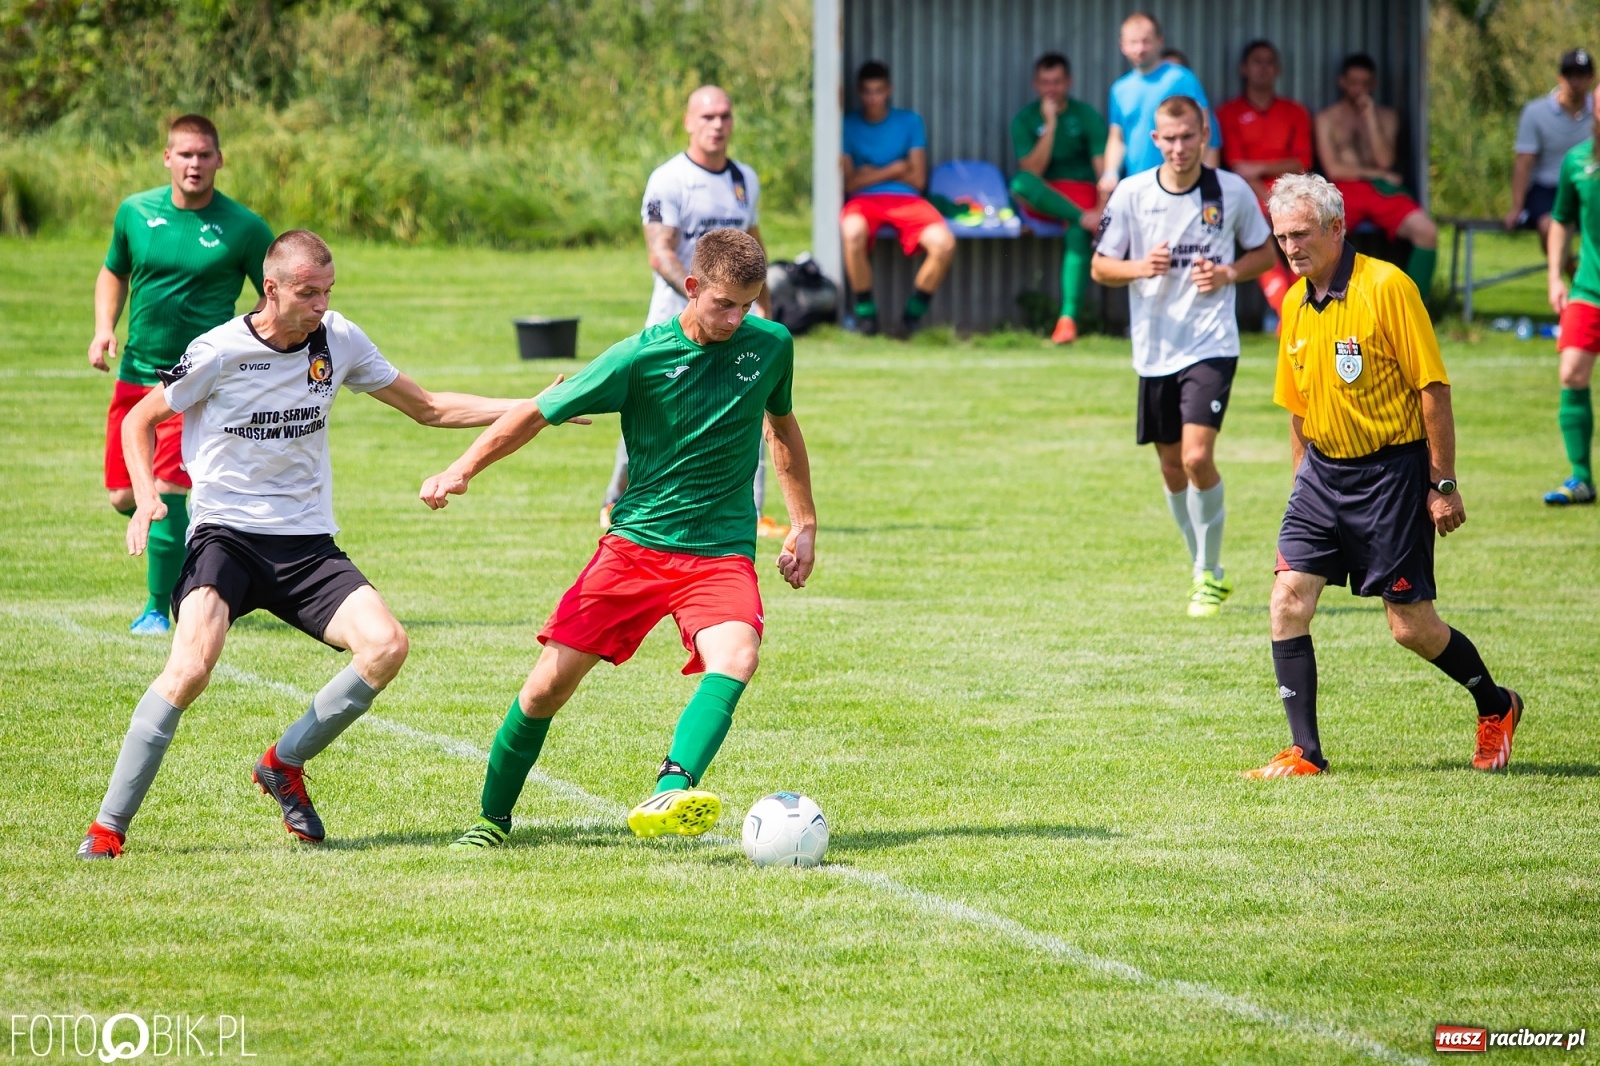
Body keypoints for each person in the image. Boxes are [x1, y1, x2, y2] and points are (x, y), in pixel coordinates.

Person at [76, 231, 536, 859]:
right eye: (307, 293)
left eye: (328, 291)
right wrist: (147, 497)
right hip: (226, 538)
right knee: (188, 670)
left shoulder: (337, 339)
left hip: (305, 543)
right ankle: (107, 828)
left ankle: (283, 763)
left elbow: (427, 407)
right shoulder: (219, 350)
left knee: (386, 647)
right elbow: (139, 419)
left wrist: (535, 404)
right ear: (271, 289)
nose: (321, 305)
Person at [422, 229, 817, 851]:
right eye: (724, 304)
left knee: (737, 656)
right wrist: (461, 469)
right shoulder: (638, 357)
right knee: (546, 687)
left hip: (720, 553)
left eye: (748, 304)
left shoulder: (769, 346)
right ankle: (491, 820)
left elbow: (783, 428)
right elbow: (537, 410)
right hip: (636, 548)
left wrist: (804, 524)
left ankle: (673, 785)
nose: (737, 318)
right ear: (691, 289)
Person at [1249, 174, 1523, 778]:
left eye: (1300, 235)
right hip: (1322, 475)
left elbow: (1433, 389)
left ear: (1336, 228)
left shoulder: (1388, 287)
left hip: (1390, 475)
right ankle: (1306, 753)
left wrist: (1442, 483)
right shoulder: (1293, 302)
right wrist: (1300, 488)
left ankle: (1496, 705)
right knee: (1286, 601)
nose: (1291, 248)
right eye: (1281, 238)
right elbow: (1297, 406)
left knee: (1411, 628)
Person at [89, 114, 274, 636]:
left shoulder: (243, 227)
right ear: (168, 158)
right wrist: (104, 327)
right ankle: (199, 544)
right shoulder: (135, 212)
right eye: (185, 154)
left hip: (194, 382)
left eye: (204, 155)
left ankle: (157, 608)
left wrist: (248, 350)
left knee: (167, 490)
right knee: (124, 497)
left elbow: (274, 291)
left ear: (220, 160)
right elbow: (113, 270)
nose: (195, 164)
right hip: (133, 373)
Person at [1090, 97, 1276, 616]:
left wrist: (1229, 274)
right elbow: (1101, 267)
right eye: (1169, 139)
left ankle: (1203, 573)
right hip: (1154, 349)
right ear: (1155, 141)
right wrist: (1139, 267)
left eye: (1188, 136)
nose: (1179, 147)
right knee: (1172, 469)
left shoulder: (1230, 191)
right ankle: (1206, 571)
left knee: (1197, 458)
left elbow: (1265, 252)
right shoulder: (1131, 193)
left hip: (1211, 344)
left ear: (1203, 134)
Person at [601, 86, 786, 540]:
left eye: (725, 115)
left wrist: (759, 305)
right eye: (707, 117)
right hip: (675, 324)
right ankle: (616, 500)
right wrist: (699, 301)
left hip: (733, 324)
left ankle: (753, 511)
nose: (717, 124)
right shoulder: (669, 179)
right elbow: (660, 253)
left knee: (753, 407)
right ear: (688, 122)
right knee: (651, 419)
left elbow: (755, 244)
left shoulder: (745, 179)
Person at [839, 60, 957, 336]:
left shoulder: (910, 121)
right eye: (867, 91)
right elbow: (851, 182)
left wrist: (869, 172)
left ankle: (911, 319)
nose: (873, 98)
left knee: (945, 244)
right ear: (859, 92)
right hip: (864, 200)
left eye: (878, 91)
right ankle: (867, 316)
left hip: (907, 200)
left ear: (889, 90)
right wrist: (896, 167)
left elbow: (918, 179)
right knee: (852, 233)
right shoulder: (846, 125)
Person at [1314, 54, 1439, 299]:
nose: (1359, 89)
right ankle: (1325, 304)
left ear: (1374, 84)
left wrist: (1370, 118)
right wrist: (1375, 172)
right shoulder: (1327, 119)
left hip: (1381, 189)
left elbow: (1385, 161)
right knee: (1324, 237)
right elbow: (1334, 169)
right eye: (1353, 82)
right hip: (1344, 189)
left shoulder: (1386, 117)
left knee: (1427, 231)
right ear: (1342, 82)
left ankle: (1413, 306)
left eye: (1365, 83)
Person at [1008, 52, 1109, 345]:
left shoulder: (1086, 115)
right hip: (1046, 195)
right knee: (1020, 181)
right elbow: (1032, 172)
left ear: (1069, 82)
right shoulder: (1025, 119)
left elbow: (1103, 170)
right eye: (1044, 83)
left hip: (1082, 191)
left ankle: (1067, 320)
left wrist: (1102, 207)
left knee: (1078, 229)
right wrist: (1049, 126)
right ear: (1035, 84)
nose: (1051, 89)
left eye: (1057, 82)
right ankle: (1082, 218)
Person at [1216, 39, 1312, 323]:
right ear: (1243, 69)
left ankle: (1305, 302)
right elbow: (1237, 167)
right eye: (1257, 61)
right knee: (1259, 232)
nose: (1263, 68)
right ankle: (1285, 309)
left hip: (1293, 190)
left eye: (1269, 62)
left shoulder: (1294, 111)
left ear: (1278, 69)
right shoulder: (1228, 113)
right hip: (1248, 194)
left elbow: (1301, 163)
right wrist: (1267, 199)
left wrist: (1261, 174)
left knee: (1305, 233)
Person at [1543, 84, 1600, 505]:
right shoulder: (1578, 162)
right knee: (1571, 374)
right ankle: (1581, 477)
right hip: (1588, 287)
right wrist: (1554, 277)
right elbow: (1561, 219)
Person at [1098, 12, 1221, 201]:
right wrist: (1110, 172)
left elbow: (1205, 130)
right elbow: (1118, 138)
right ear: (1122, 45)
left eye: (1146, 41)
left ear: (1159, 41)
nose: (1140, 48)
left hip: (1180, 186)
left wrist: (1202, 179)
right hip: (1138, 187)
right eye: (1133, 42)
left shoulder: (1182, 78)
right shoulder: (1119, 89)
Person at [1509, 49, 1595, 241]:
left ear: (1590, 78)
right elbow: (1524, 162)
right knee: (1550, 227)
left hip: (1586, 184)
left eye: (1580, 75)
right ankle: (1571, 271)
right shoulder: (1535, 112)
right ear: (1560, 77)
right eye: (1569, 75)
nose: (1575, 82)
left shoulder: (1597, 112)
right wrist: (1516, 208)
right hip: (1547, 188)